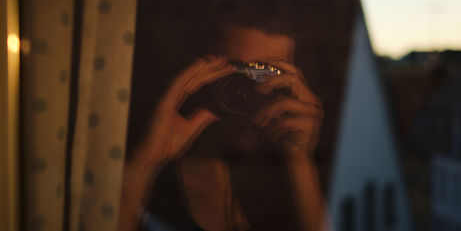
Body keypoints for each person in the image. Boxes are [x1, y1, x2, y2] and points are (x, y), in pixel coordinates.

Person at [119, 19, 332, 231]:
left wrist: (300, 162)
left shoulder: (298, 181)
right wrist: (145, 162)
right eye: (238, 75)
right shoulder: (157, 181)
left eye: (267, 76)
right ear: (200, 71)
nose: (251, 93)